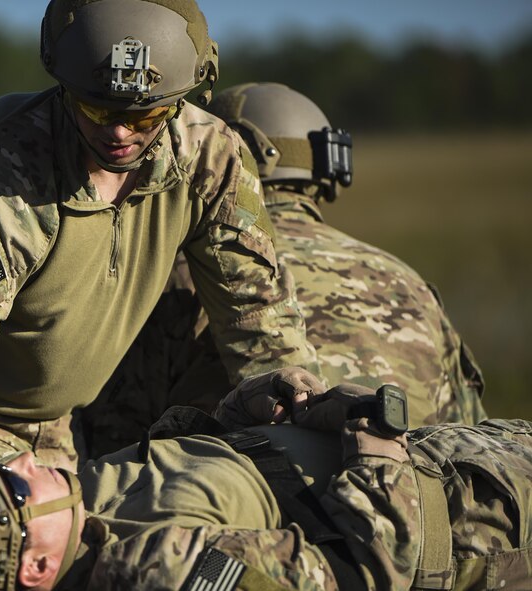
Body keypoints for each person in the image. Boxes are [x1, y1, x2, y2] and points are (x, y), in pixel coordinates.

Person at [0, 2, 317, 519]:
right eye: (96, 109)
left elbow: (261, 326)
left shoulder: (211, 158)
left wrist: (296, 410)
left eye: (144, 115)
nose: (118, 133)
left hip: (54, 422)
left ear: (183, 100)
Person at [78, 82, 487, 459]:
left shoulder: (171, 277)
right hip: (398, 518)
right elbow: (468, 443)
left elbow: (114, 455)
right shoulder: (407, 281)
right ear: (325, 169)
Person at [0, 367, 532, 590]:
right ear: (35, 567)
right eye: (13, 490)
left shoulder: (66, 508)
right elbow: (362, 572)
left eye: (0, 465)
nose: (24, 462)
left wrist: (229, 420)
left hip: (447, 455)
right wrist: (376, 446)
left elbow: (168, 480)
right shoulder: (159, 574)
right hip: (480, 513)